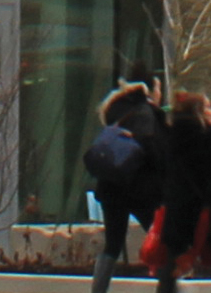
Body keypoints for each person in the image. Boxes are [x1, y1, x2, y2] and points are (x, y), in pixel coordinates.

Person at [145, 91, 211, 287]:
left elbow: (163, 173)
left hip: (178, 211)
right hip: (203, 212)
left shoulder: (172, 135)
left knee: (173, 263)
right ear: (198, 112)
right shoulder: (206, 137)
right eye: (208, 107)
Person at [86, 84, 163, 293]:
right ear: (149, 92)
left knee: (112, 245)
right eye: (158, 87)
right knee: (161, 239)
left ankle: (98, 291)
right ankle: (168, 287)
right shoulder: (147, 113)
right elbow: (153, 151)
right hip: (141, 191)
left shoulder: (117, 112)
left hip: (112, 189)